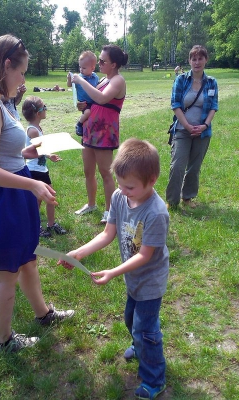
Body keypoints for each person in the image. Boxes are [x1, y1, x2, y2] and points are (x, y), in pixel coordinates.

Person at [0, 35, 74, 353]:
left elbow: (3, 151)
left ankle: (43, 315)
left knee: (27, 260)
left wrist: (33, 151)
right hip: (1, 198)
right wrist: (32, 184)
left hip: (12, 192)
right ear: (6, 65)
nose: (24, 80)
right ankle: (4, 341)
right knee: (6, 276)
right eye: (22, 72)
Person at [59, 138, 169, 400]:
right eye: (119, 184)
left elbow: (145, 255)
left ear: (151, 180)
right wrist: (79, 252)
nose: (122, 190)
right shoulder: (120, 197)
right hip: (133, 279)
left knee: (147, 328)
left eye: (129, 186)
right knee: (131, 319)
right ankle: (139, 343)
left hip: (150, 281)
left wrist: (113, 272)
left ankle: (155, 379)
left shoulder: (156, 213)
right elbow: (108, 233)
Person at [71, 45, 128, 223]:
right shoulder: (103, 80)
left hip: (104, 132)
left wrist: (81, 81)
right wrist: (84, 106)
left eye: (103, 61)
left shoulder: (118, 81)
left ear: (114, 64)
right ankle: (91, 204)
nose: (100, 63)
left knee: (105, 172)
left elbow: (102, 98)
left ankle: (110, 211)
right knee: (88, 170)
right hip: (90, 130)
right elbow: (94, 100)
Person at [166, 45, 218, 209]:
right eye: (193, 59)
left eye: (200, 58)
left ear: (205, 60)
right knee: (177, 166)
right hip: (182, 129)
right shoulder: (181, 80)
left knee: (194, 168)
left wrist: (204, 125)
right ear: (189, 61)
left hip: (203, 132)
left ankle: (187, 198)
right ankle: (172, 201)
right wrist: (188, 126)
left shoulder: (211, 82)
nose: (197, 62)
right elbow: (175, 105)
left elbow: (213, 107)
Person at [22, 95, 67, 238]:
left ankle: (51, 224)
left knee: (50, 196)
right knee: (39, 200)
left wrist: (49, 155)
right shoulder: (33, 131)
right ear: (38, 113)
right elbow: (37, 150)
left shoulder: (37, 128)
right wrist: (49, 153)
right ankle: (35, 226)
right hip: (35, 170)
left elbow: (41, 149)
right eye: (44, 107)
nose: (46, 109)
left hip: (41, 169)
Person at [67, 51, 99, 136]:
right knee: (87, 112)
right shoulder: (78, 77)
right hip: (84, 102)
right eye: (80, 67)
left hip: (93, 101)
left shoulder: (95, 77)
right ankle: (79, 124)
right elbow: (70, 85)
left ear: (92, 68)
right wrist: (69, 79)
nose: (81, 69)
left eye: (84, 68)